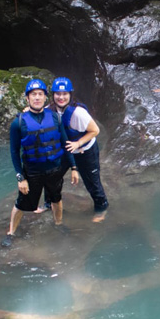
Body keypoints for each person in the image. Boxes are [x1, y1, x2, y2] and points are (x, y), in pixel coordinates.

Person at [0, 79, 79, 247]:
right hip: (32, 172)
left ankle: (58, 224)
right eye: (33, 95)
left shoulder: (55, 117)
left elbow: (66, 143)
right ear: (27, 98)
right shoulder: (18, 122)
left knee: (56, 198)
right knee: (22, 203)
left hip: (54, 169)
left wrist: (73, 167)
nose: (37, 98)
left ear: (45, 98)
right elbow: (14, 152)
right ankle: (11, 232)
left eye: (40, 94)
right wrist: (20, 177)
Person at [50, 76, 109, 223]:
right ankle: (48, 203)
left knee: (92, 183)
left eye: (64, 94)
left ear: (70, 95)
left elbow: (95, 130)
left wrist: (78, 143)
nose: (61, 97)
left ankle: (101, 208)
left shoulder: (78, 113)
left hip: (85, 151)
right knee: (52, 177)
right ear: (53, 95)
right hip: (66, 150)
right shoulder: (50, 110)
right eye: (58, 94)